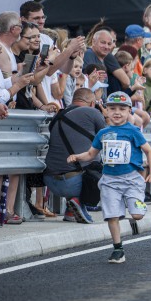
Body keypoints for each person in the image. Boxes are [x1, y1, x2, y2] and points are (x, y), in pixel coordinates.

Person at [67, 91, 151, 264]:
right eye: (112, 108)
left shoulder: (133, 131)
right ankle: (118, 249)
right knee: (112, 216)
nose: (117, 112)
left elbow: (149, 151)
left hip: (131, 179)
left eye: (122, 109)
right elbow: (91, 154)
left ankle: (138, 203)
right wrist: (77, 157)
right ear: (106, 110)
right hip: (109, 180)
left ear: (129, 111)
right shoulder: (103, 133)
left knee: (137, 215)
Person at [43, 88, 106, 223]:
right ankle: (78, 200)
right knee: (102, 164)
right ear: (92, 103)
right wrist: (106, 115)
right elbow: (108, 137)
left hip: (50, 181)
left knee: (77, 157)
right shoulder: (93, 112)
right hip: (73, 183)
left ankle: (70, 211)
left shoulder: (58, 115)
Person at [84, 27, 130, 100]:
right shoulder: (88, 54)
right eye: (103, 42)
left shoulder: (104, 58)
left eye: (109, 44)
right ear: (93, 41)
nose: (106, 47)